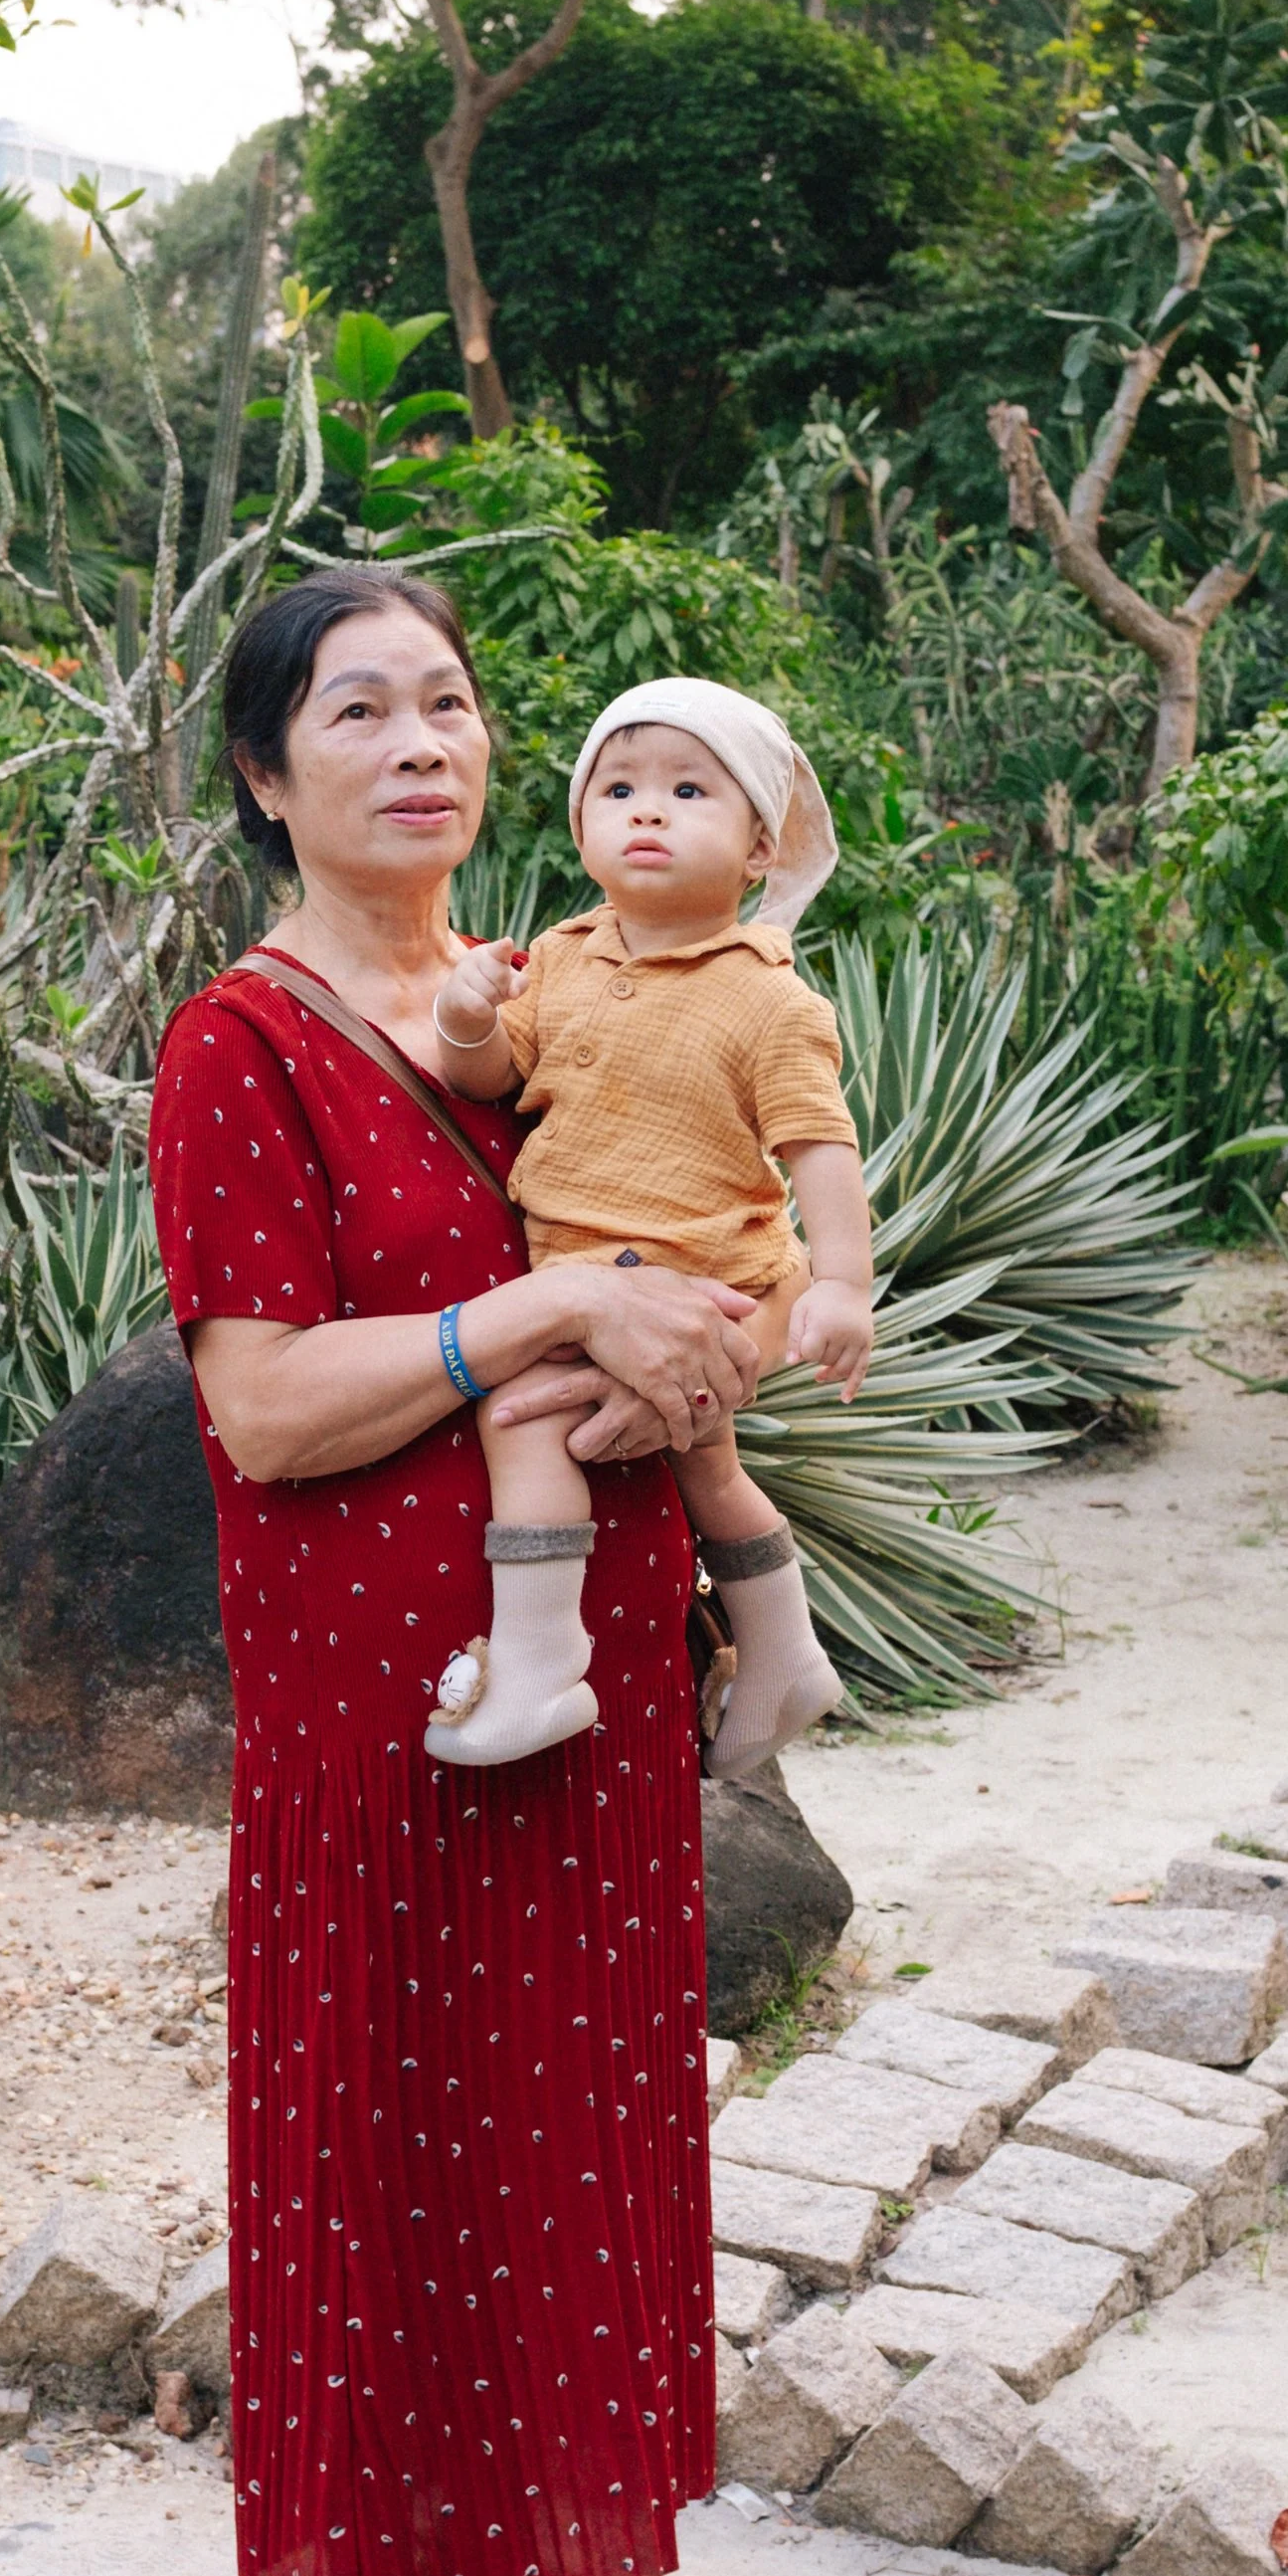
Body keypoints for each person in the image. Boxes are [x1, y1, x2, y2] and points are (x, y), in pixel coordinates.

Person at [147, 570, 757, 2576]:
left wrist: (706, 1314)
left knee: (567, 2119)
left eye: (454, 702)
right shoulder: (243, 1039)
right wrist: (542, 1314)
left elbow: (701, 1195)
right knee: (384, 2142)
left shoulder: (549, 998)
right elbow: (271, 1405)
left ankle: (530, 2560)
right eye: (359, 709)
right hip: (378, 1699)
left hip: (580, 1675)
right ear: (263, 770)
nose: (422, 741)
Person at [424, 679, 872, 1777]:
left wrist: (843, 1287)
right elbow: (488, 1075)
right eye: (617, 788)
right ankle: (784, 1654)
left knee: (520, 1419)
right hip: (590, 1276)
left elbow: (818, 1146)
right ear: (581, 829)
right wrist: (468, 1013)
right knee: (709, 1472)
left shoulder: (769, 999)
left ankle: (537, 1661)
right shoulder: (562, 958)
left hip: (694, 1276)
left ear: (759, 849)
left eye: (687, 789)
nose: (649, 811)